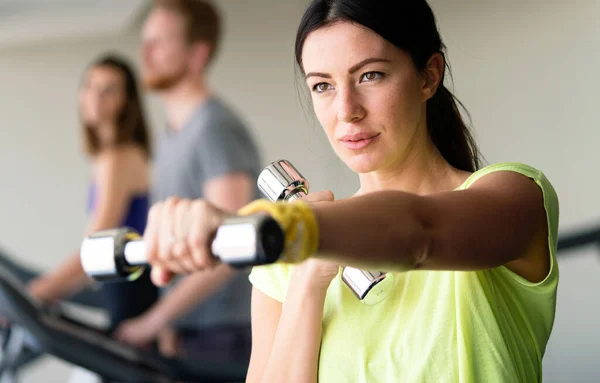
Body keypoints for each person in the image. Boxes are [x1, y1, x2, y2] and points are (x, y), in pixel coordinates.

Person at [137, 0, 560, 382]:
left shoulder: (515, 195)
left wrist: (285, 228)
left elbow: (419, 231)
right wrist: (306, 282)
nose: (346, 111)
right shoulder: (289, 252)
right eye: (323, 85)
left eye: (371, 75)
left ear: (429, 76)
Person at [112, 0, 262, 363]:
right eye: (145, 41)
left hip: (226, 334)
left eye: (159, 42)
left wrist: (152, 322)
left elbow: (230, 246)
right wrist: (167, 321)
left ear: (197, 54)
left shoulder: (213, 128)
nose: (145, 52)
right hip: (190, 330)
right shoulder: (170, 135)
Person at [0, 54, 158, 333]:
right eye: (89, 86)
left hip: (130, 293)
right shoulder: (108, 157)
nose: (96, 97)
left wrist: (32, 295)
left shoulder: (118, 158)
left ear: (126, 101)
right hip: (118, 287)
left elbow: (94, 249)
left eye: (109, 89)